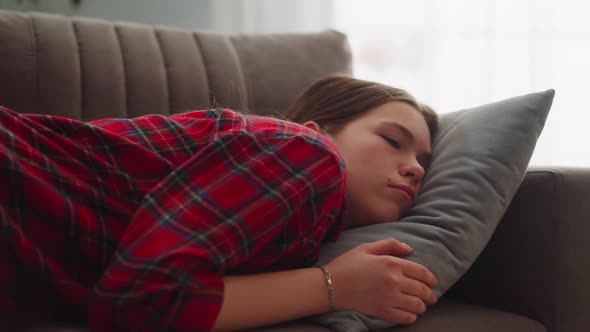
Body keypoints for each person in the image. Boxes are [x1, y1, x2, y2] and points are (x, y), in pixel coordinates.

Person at [0, 75, 439, 331]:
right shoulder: (308, 153)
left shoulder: (303, 223)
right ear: (318, 129)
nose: (415, 169)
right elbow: (143, 300)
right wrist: (333, 286)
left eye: (423, 161)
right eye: (392, 141)